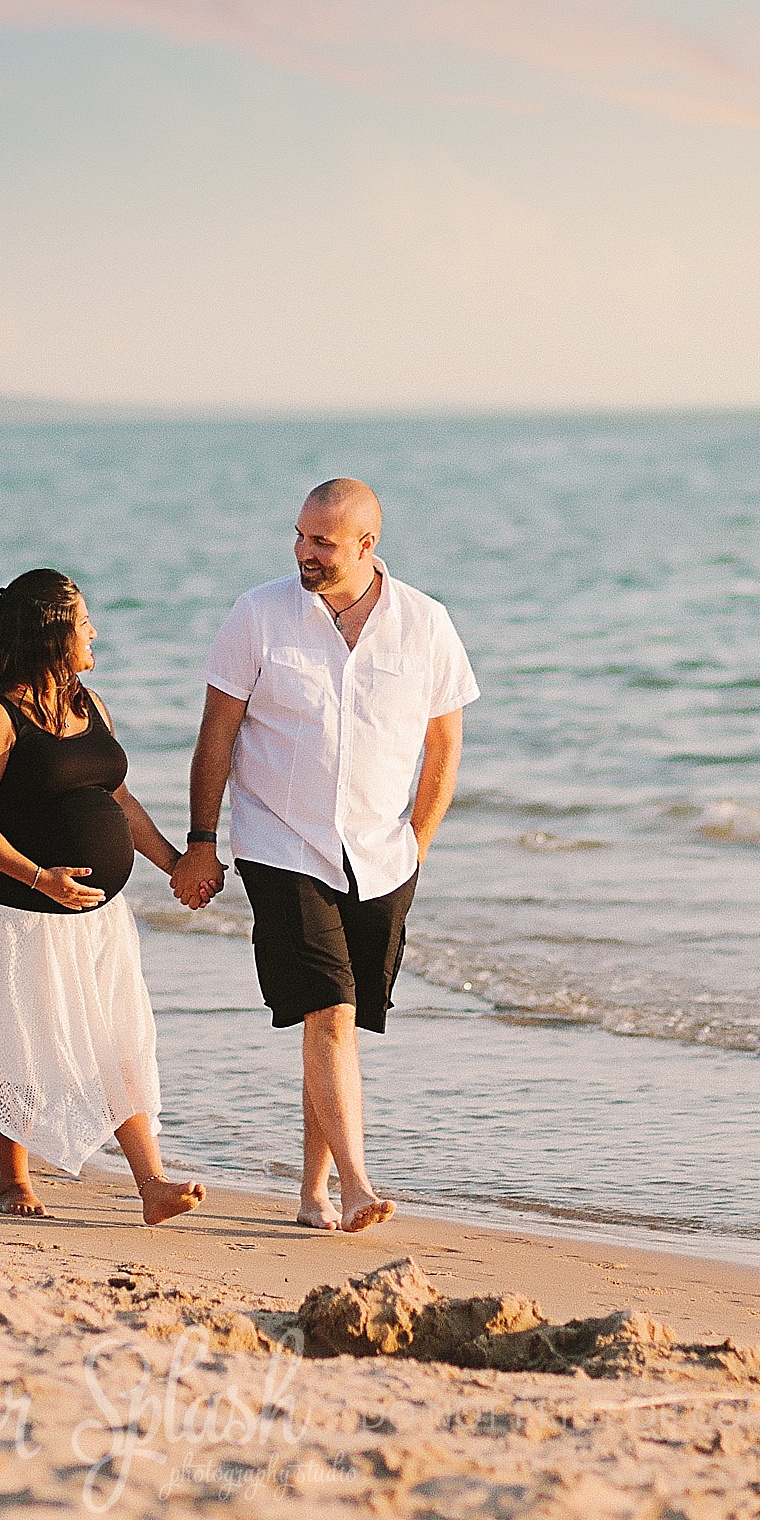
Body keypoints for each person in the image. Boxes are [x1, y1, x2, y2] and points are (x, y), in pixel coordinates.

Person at [171, 480, 478, 1233]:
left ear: (367, 546)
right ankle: (356, 1185)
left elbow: (444, 745)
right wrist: (202, 841)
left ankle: (311, 1192)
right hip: (279, 843)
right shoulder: (258, 615)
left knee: (329, 1020)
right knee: (329, 1010)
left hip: (381, 853)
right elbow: (217, 732)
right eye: (300, 536)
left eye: (323, 543)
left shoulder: (425, 624)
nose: (304, 552)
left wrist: (418, 845)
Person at [0, 568, 206, 1227]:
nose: (95, 631)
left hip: (97, 918)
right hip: (16, 912)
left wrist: (174, 862)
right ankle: (12, 1179)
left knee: (119, 1039)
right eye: (85, 621)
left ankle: (152, 1183)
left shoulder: (89, 703)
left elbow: (116, 799)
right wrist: (40, 877)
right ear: (53, 633)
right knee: (18, 1048)